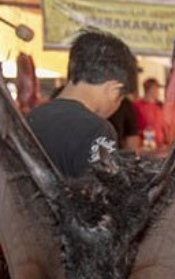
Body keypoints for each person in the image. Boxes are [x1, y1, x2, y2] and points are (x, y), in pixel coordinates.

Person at [27, 30, 138, 178]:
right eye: (121, 98)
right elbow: (103, 195)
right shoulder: (97, 130)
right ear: (113, 89)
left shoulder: (31, 118)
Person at [133, 77, 166, 148]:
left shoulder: (160, 107)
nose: (158, 92)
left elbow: (163, 126)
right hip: (146, 147)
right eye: (157, 89)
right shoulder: (137, 106)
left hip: (161, 146)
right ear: (151, 89)